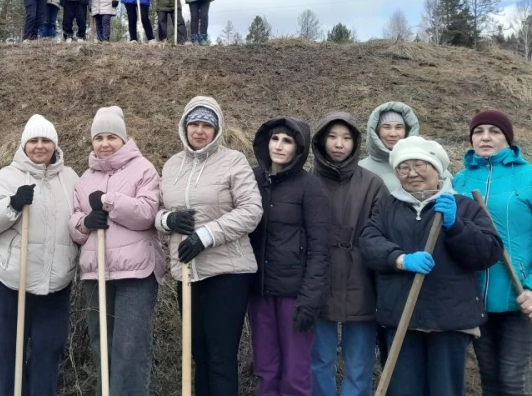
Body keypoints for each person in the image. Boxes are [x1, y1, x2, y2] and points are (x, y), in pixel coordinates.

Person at [360, 136, 503, 396]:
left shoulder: (464, 206)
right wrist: (400, 259)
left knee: (444, 390)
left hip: (449, 319)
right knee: (402, 391)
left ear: (437, 169)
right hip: (401, 316)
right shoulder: (387, 206)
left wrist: (456, 226)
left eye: (420, 165)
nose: (412, 173)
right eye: (404, 168)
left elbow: (488, 253)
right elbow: (369, 243)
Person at [156, 96, 263, 396]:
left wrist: (205, 235)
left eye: (207, 125)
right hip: (188, 273)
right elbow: (157, 210)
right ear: (184, 126)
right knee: (199, 354)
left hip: (228, 272)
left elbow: (251, 210)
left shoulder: (233, 161)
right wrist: (167, 220)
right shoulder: (172, 165)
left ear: (217, 130)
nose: (200, 130)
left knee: (220, 357)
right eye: (194, 124)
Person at [0, 114, 79, 396]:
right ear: (24, 145)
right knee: (7, 349)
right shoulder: (9, 176)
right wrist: (12, 204)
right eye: (33, 141)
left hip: (56, 281)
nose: (39, 146)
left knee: (49, 349)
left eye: (46, 141)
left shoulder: (70, 178)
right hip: (10, 279)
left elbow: (80, 220)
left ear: (55, 145)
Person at [69, 106, 165, 395]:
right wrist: (85, 222)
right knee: (103, 344)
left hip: (136, 273)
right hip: (96, 272)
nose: (105, 144)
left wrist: (109, 201)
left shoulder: (143, 169)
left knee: (130, 348)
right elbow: (74, 222)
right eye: (99, 138)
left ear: (123, 139)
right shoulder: (84, 178)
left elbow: (147, 214)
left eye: (111, 137)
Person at [249, 116, 331, 396]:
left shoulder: (310, 187)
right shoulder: (253, 180)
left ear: (299, 148)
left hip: (294, 296)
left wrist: (310, 300)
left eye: (287, 141)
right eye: (275, 139)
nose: (279, 146)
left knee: (296, 373)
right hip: (259, 291)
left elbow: (320, 248)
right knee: (266, 368)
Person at [452, 110, 532, 396]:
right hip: (474, 296)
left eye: (494, 131)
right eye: (479, 131)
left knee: (512, 381)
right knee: (489, 378)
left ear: (508, 138)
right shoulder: (459, 181)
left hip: (518, 296)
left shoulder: (528, 176)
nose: (485, 137)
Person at [308, 113, 387, 396]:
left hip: (361, 279)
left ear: (355, 142)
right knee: (319, 359)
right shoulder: (307, 181)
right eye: (332, 137)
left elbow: (380, 231)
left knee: (360, 362)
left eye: (346, 137)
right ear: (321, 141)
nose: (339, 144)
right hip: (318, 279)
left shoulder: (372, 183)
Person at [358, 102, 421, 191]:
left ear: (406, 131)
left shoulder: (425, 165)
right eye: (386, 127)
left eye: (399, 127)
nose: (393, 134)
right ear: (376, 131)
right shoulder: (360, 170)